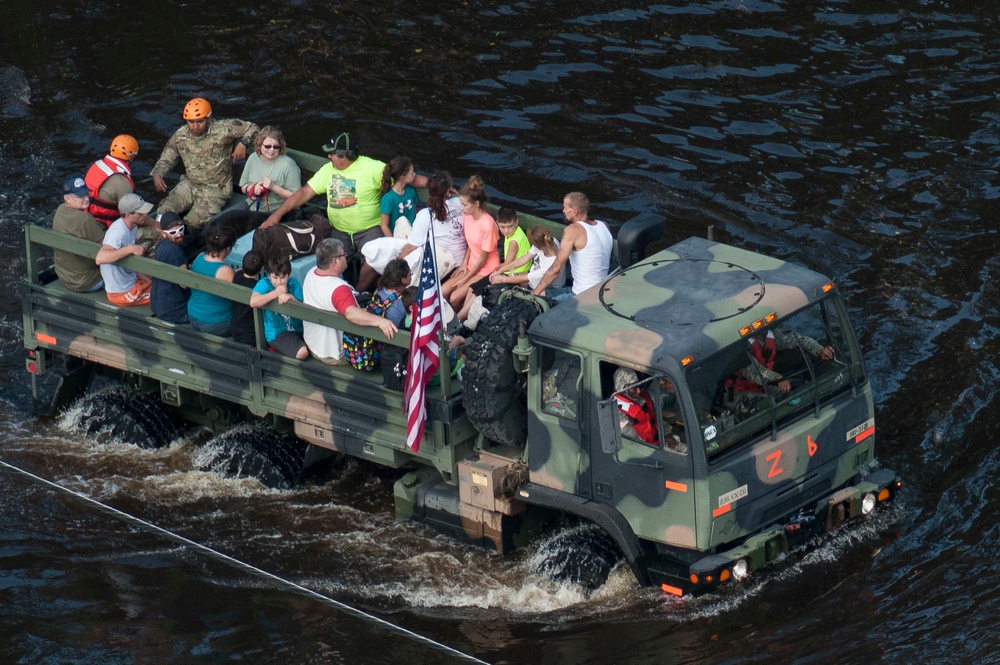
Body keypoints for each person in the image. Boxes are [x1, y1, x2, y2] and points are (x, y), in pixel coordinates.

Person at [259, 132, 428, 264]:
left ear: (343, 156)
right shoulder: (327, 170)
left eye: (331, 153)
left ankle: (364, 293)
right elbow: (304, 193)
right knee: (330, 261)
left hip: (370, 230)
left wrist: (435, 186)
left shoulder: (374, 168)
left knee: (373, 259)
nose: (328, 157)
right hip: (338, 230)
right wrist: (277, 214)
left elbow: (406, 177)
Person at [150, 97, 259, 231]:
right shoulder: (180, 135)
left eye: (200, 121)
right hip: (189, 184)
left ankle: (179, 242)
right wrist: (158, 174)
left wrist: (244, 143)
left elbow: (253, 127)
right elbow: (168, 155)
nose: (195, 126)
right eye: (191, 122)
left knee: (193, 223)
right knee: (164, 211)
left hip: (215, 190)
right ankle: (154, 240)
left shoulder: (224, 129)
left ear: (208, 118)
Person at [302, 238, 398, 365]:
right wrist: (380, 321)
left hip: (313, 345)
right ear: (335, 261)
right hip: (334, 354)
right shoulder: (339, 289)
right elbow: (352, 314)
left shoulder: (311, 273)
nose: (346, 256)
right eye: (343, 254)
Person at [531, 191, 613, 301]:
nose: (563, 211)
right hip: (602, 291)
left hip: (581, 296)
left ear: (574, 211)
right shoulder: (604, 225)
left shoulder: (573, 230)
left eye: (565, 207)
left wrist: (534, 294)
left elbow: (556, 268)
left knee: (539, 295)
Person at [441, 175, 499, 309]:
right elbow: (471, 245)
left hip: (485, 269)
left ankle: (457, 320)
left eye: (465, 205)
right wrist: (463, 265)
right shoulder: (468, 216)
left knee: (454, 297)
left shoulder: (488, 225)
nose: (461, 208)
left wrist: (466, 278)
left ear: (476, 204)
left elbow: (483, 260)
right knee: (443, 291)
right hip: (470, 264)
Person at [728, 329, 836, 394]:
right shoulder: (738, 348)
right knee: (786, 397)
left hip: (768, 382)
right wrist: (777, 378)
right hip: (744, 391)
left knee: (798, 388)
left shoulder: (767, 334)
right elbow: (754, 372)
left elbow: (796, 339)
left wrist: (819, 349)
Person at [95, 193, 154, 306]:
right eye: (140, 213)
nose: (145, 214)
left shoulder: (133, 227)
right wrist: (130, 249)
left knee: (161, 280)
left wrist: (148, 280)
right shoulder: (118, 232)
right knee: (164, 293)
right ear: (128, 215)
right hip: (121, 292)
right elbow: (100, 258)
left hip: (131, 278)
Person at [52, 175, 105, 292]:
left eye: (87, 194)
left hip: (65, 277)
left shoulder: (60, 210)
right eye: (81, 196)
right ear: (68, 198)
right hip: (87, 281)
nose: (86, 199)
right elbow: (106, 247)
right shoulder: (85, 219)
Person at [249, 256, 308, 360]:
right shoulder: (265, 283)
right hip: (277, 333)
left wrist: (291, 297)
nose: (279, 282)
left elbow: (303, 307)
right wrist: (276, 293)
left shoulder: (294, 283)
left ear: (289, 275)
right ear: (269, 275)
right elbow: (253, 302)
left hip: (299, 328)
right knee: (302, 353)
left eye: (282, 277)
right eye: (275, 278)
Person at [187, 224, 237, 336]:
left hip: (193, 315)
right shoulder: (225, 270)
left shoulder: (199, 257)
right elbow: (238, 297)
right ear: (228, 249)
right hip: (215, 323)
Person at [238, 126, 301, 213]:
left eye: (276, 147)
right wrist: (253, 188)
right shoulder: (253, 158)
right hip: (252, 205)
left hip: (277, 211)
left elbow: (297, 199)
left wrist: (273, 187)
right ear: (260, 145)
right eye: (267, 146)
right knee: (219, 220)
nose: (271, 150)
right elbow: (243, 187)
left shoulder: (288, 165)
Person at [84, 134, 139, 227]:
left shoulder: (96, 165)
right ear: (132, 157)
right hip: (103, 226)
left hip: (85, 215)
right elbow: (131, 217)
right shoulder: (122, 183)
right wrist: (155, 224)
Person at [150, 212, 190, 324]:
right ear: (163, 233)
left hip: (158, 306)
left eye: (180, 229)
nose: (178, 234)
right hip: (176, 312)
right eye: (173, 232)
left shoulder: (161, 246)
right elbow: (185, 283)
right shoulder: (175, 252)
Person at [613, 367, 658, 445]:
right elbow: (635, 444)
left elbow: (656, 417)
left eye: (639, 385)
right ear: (623, 389)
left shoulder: (640, 398)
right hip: (650, 449)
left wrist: (667, 433)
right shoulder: (618, 413)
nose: (639, 391)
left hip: (660, 440)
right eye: (634, 388)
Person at [230, 250, 265, 346]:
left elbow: (240, 271)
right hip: (251, 334)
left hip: (236, 328)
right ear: (262, 268)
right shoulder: (257, 288)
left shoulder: (237, 275)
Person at [379, 156, 419, 236]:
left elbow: (414, 214)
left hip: (411, 233)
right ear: (402, 178)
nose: (414, 175)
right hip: (396, 235)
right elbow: (384, 225)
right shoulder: (388, 198)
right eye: (411, 173)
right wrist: (393, 242)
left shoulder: (411, 191)